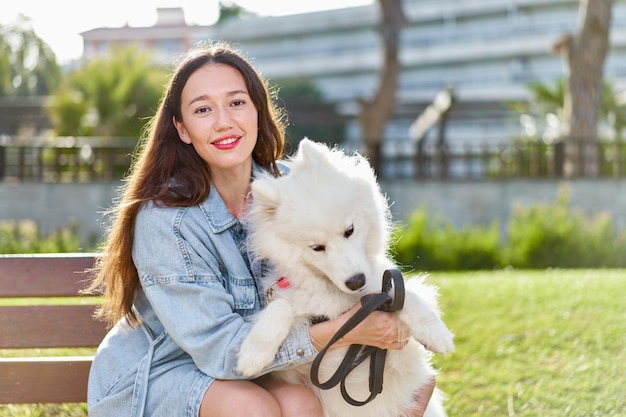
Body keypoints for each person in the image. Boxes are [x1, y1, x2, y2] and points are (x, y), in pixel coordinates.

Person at [86, 41, 435, 417]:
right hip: (161, 372)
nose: (224, 121)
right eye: (203, 109)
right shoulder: (166, 220)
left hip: (259, 371)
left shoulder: (292, 186)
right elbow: (220, 351)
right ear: (183, 129)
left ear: (257, 110)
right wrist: (345, 331)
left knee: (303, 404)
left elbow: (352, 261)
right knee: (252, 408)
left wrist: (385, 315)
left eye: (236, 102)